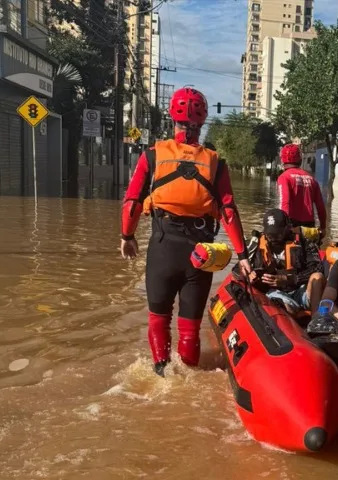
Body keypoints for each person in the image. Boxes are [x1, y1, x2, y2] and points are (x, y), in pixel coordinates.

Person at [120, 87, 252, 376]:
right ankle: (189, 375)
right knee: (190, 325)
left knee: (158, 318)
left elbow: (132, 203)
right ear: (202, 122)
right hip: (200, 253)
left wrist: (127, 237)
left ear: (172, 118)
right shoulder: (215, 162)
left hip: (163, 247)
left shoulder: (152, 155)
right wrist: (242, 254)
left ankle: (160, 371)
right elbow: (228, 211)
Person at [247, 208, 326, 315]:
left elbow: (318, 268)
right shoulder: (255, 244)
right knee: (284, 307)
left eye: (277, 234)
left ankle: (317, 320)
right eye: (270, 235)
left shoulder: (303, 242)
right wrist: (249, 274)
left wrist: (290, 279)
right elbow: (238, 268)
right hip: (276, 293)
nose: (273, 238)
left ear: (287, 228)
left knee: (318, 276)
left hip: (301, 291)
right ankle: (290, 319)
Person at [277, 143, 327, 237]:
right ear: (300, 159)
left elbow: (284, 203)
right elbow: (320, 207)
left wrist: (283, 227)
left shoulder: (284, 177)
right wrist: (323, 228)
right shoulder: (311, 179)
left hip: (292, 226)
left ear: (282, 160)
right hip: (310, 227)